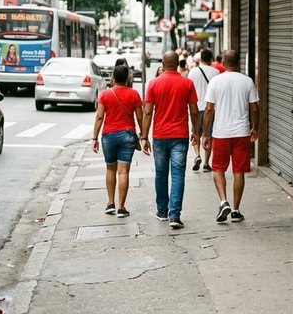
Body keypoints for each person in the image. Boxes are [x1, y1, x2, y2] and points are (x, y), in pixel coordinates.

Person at [140, 51, 199, 229]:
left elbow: (148, 112)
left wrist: (144, 136)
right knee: (178, 175)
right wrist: (196, 131)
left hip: (159, 136)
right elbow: (194, 111)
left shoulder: (154, 84)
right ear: (177, 64)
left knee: (161, 173)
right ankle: (175, 215)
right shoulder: (187, 83)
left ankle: (162, 211)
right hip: (180, 135)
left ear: (163, 64)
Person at [202, 49, 259, 224]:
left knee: (218, 168)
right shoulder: (247, 81)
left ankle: (223, 201)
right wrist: (255, 128)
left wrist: (205, 133)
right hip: (242, 132)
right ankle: (235, 210)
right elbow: (255, 108)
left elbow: (209, 109)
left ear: (223, 63)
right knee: (238, 171)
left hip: (221, 133)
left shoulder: (215, 81)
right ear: (238, 63)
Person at [91, 65, 144, 218]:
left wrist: (94, 138)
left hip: (108, 136)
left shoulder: (105, 94)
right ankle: (121, 207)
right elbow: (140, 117)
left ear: (113, 78)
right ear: (127, 78)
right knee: (123, 172)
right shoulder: (134, 94)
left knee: (110, 169)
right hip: (127, 135)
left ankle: (110, 203)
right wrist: (143, 134)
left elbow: (99, 117)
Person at [187, 49, 219, 173]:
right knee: (208, 135)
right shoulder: (216, 72)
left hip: (196, 107)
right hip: (210, 108)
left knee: (196, 132)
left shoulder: (193, 71)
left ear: (200, 59)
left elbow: (189, 88)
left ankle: (197, 155)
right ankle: (206, 163)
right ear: (211, 60)